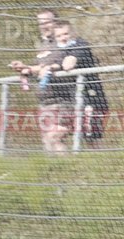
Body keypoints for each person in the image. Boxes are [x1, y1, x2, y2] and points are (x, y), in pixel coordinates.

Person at [10, 17, 78, 154]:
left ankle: (67, 167)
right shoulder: (43, 46)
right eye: (41, 22)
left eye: (47, 21)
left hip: (62, 100)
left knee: (54, 136)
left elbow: (65, 64)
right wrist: (26, 68)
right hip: (45, 101)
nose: (44, 25)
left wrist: (49, 68)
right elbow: (39, 67)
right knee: (48, 140)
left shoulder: (67, 45)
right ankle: (57, 169)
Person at [56, 20, 109, 149]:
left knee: (91, 138)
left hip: (93, 100)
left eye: (65, 34)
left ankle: (101, 163)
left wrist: (56, 63)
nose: (63, 38)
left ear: (72, 33)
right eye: (58, 36)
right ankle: (68, 164)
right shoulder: (58, 50)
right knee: (56, 134)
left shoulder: (80, 45)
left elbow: (68, 65)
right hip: (73, 101)